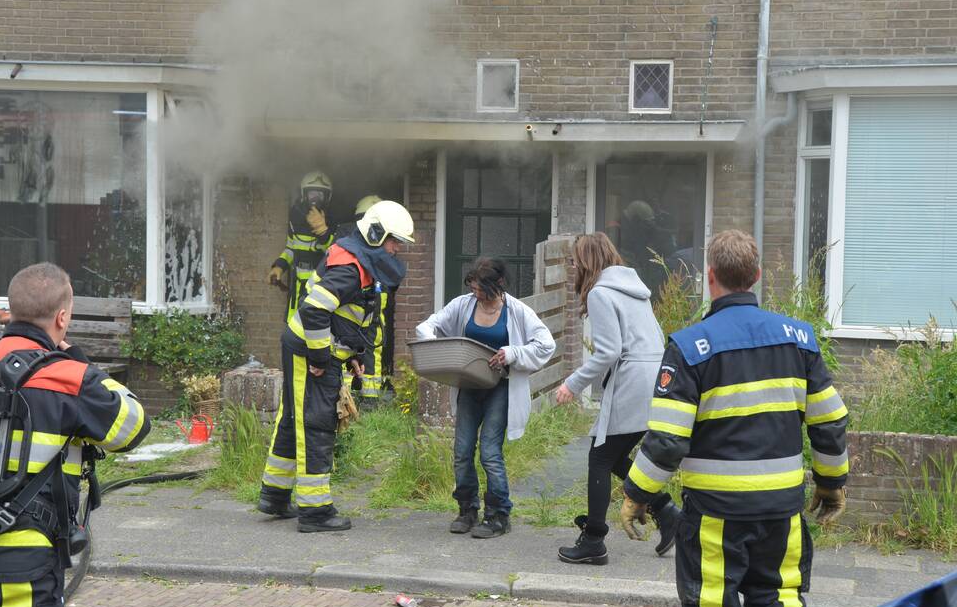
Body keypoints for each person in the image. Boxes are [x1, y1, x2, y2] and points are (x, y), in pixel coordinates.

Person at [621, 230, 849, 607]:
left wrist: (637, 494)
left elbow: (667, 440)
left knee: (713, 605)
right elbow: (829, 424)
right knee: (780, 600)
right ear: (757, 275)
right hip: (781, 510)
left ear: (710, 276)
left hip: (716, 513)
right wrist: (831, 484)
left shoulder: (689, 347)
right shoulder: (801, 340)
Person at [0, 262, 151, 607]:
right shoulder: (69, 378)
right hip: (22, 571)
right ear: (62, 318)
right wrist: (78, 359)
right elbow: (134, 427)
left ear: (10, 312)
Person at [258, 200, 414, 532]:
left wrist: (353, 354)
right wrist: (320, 359)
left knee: (294, 418)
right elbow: (315, 310)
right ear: (375, 234)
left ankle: (274, 496)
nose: (397, 248)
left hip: (308, 346)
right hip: (309, 350)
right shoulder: (351, 268)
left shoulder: (354, 254)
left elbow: (346, 314)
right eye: (394, 240)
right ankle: (315, 512)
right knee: (317, 423)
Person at [553, 232, 681, 565]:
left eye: (574, 260)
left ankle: (594, 539)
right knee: (615, 456)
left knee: (599, 457)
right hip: (654, 378)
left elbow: (608, 352)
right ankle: (666, 512)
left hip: (632, 381)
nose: (572, 267)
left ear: (586, 261)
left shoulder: (600, 293)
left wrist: (573, 384)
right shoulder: (635, 289)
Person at [416, 257, 555, 539]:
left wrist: (513, 353)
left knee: (490, 452)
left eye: (482, 289)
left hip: (500, 389)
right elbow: (428, 326)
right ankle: (467, 509)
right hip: (469, 386)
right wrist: (434, 346)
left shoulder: (517, 311)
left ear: (499, 284)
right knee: (462, 451)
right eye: (474, 288)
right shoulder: (463, 305)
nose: (477, 294)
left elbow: (546, 344)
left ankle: (498, 515)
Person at [336, 195, 396, 406]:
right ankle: (367, 400)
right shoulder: (352, 239)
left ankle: (351, 397)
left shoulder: (347, 236)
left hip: (363, 304)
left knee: (349, 345)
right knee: (366, 348)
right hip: (369, 304)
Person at [269, 170, 336, 323]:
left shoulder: (334, 220)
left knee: (316, 333)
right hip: (298, 287)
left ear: (328, 197)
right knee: (293, 330)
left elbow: (337, 253)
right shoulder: (296, 217)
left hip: (322, 288)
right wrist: (279, 266)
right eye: (312, 194)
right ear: (304, 195)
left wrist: (324, 232)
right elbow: (291, 248)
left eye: (320, 195)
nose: (315, 199)